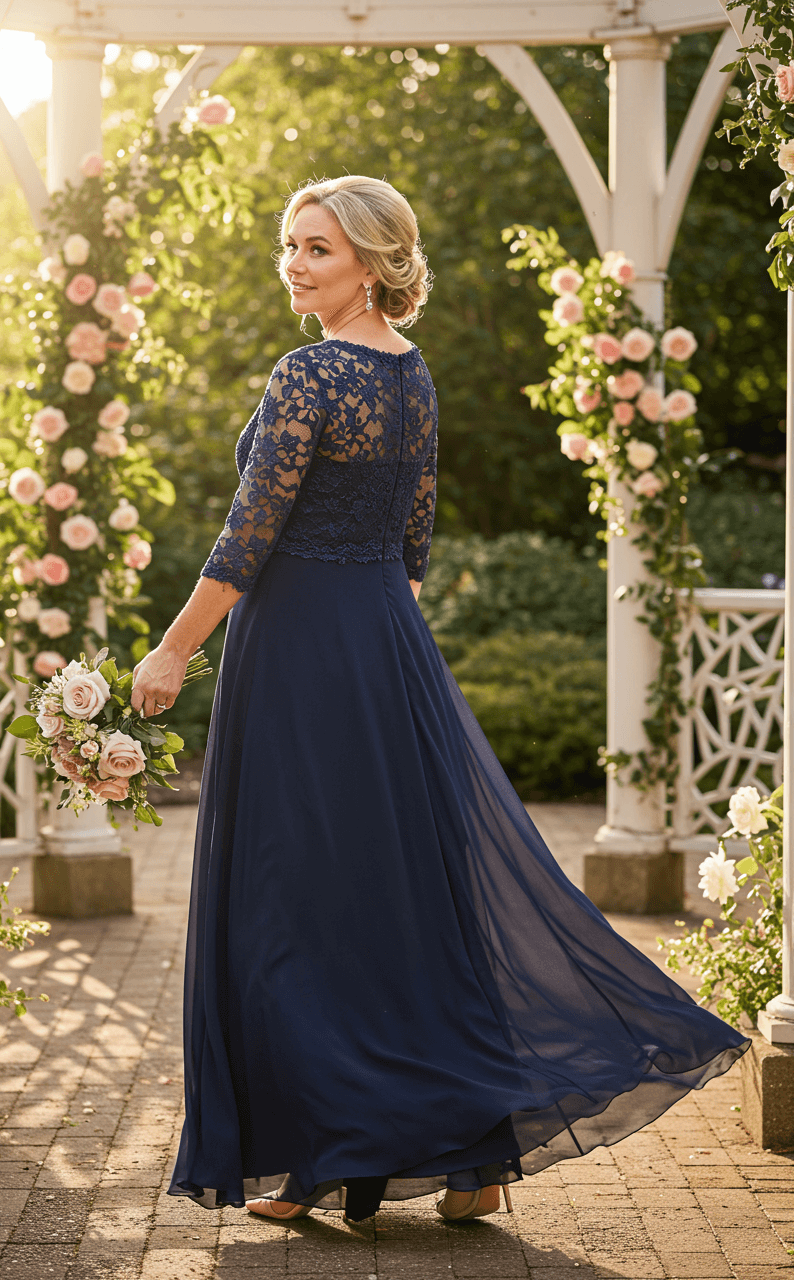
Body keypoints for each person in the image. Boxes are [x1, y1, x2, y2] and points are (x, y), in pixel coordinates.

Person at [130, 175, 750, 1226]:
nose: (295, 264)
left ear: (371, 265)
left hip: (300, 656)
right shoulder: (411, 373)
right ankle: (469, 1159)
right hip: (384, 644)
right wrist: (377, 639)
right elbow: (413, 543)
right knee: (401, 896)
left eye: (318, 248)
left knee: (297, 900)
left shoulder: (309, 373)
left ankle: (317, 1154)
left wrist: (170, 650)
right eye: (291, 244)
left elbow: (248, 535)